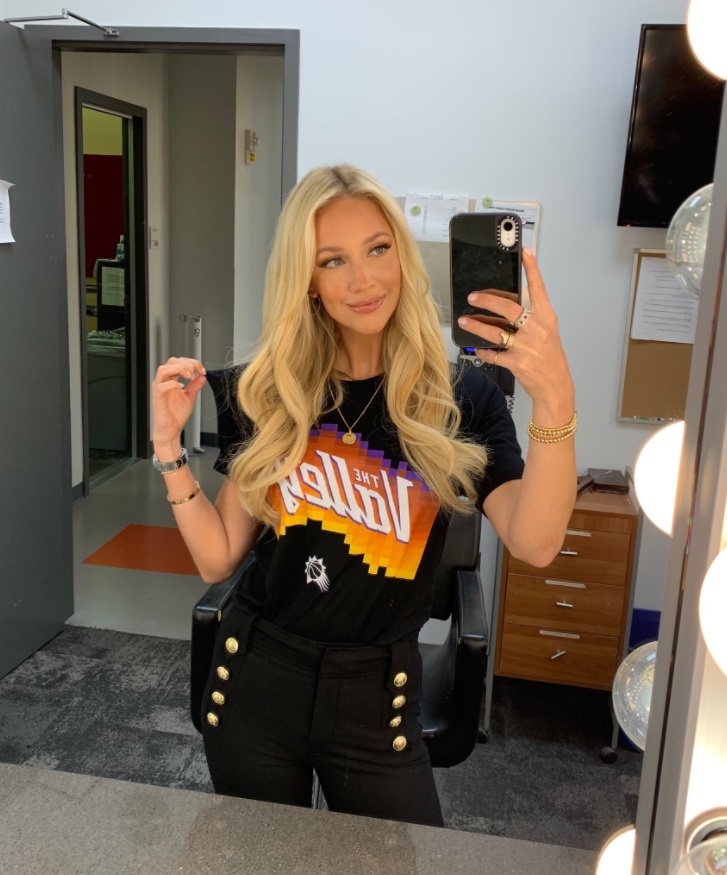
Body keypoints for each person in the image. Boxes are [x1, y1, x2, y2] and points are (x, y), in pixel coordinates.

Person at [151, 164, 576, 827]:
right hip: (258, 679)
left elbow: (535, 540)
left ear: (402, 256)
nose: (363, 279)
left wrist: (555, 396)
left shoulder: (459, 397)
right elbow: (217, 559)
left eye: (379, 248)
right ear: (309, 282)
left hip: (378, 694)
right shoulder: (270, 390)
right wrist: (169, 452)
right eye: (333, 260)